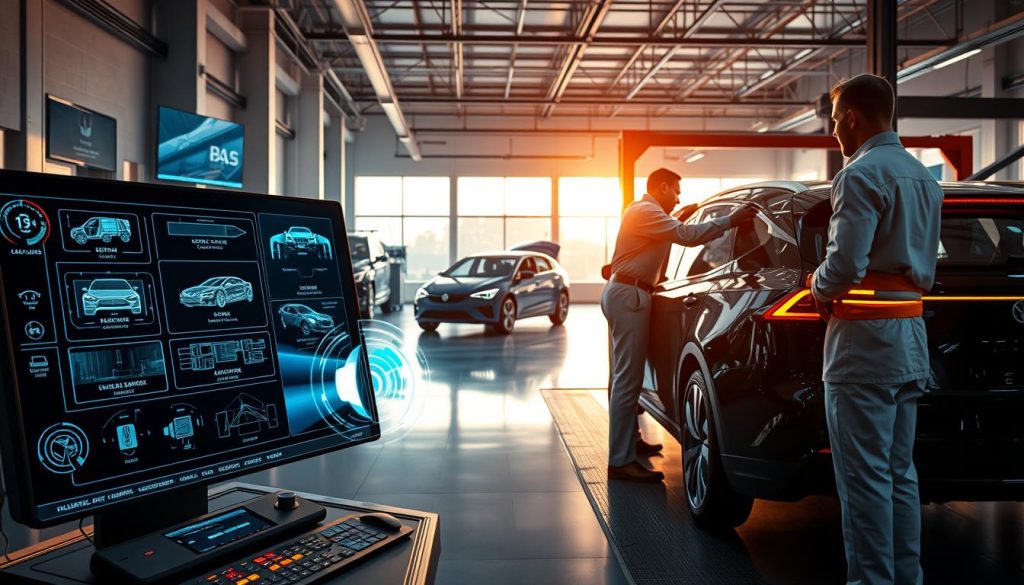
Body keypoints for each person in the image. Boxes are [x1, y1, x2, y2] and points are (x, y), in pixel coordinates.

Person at [810, 74, 943, 585]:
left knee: (863, 481)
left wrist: (816, 284)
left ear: (850, 117)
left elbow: (844, 266)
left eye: (834, 120)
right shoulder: (922, 174)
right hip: (910, 338)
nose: (834, 132)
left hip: (864, 346)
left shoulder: (860, 173)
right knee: (899, 476)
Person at [602, 168, 756, 482]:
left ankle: (629, 443)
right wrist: (731, 220)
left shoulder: (643, 212)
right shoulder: (645, 211)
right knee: (627, 380)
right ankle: (620, 462)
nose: (678, 197)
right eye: (675, 191)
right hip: (630, 296)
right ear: (661, 187)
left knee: (623, 375)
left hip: (628, 293)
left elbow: (673, 231)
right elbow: (686, 236)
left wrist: (680, 217)